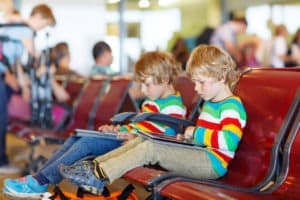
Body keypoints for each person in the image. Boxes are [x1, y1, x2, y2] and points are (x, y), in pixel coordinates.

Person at [58, 44, 247, 195]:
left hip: (212, 164)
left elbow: (228, 142)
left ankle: (98, 175)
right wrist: (188, 139)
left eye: (201, 82)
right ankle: (93, 169)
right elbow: (205, 138)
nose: (196, 89)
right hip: (201, 154)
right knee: (144, 140)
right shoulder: (211, 101)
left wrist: (196, 133)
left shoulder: (231, 107)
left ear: (222, 77)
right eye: (195, 82)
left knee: (151, 147)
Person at [3, 51, 187, 197]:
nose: (144, 90)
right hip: (126, 138)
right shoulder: (153, 102)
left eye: (147, 85)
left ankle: (39, 182)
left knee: (86, 143)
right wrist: (119, 128)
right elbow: (142, 127)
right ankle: (39, 178)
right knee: (77, 136)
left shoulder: (174, 108)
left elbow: (164, 138)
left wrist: (132, 135)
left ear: (164, 80)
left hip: (134, 146)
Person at [0, 3, 55, 173]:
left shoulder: (16, 26)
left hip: (4, 74)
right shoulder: (25, 29)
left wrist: (22, 84)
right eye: (44, 24)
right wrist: (46, 70)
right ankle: (1, 162)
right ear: (38, 17)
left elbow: (14, 62)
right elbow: (34, 59)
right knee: (1, 118)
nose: (41, 29)